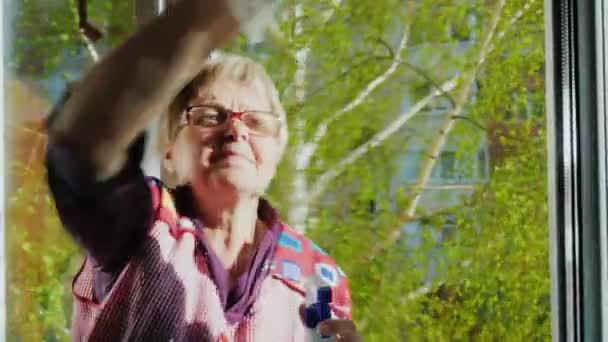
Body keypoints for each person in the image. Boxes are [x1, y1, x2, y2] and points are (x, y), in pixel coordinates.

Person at [45, 0, 361, 341]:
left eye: (256, 122)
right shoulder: (143, 226)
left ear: (277, 151)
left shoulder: (319, 278)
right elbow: (81, 145)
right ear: (169, 150)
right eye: (210, 116)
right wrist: (216, 14)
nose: (236, 131)